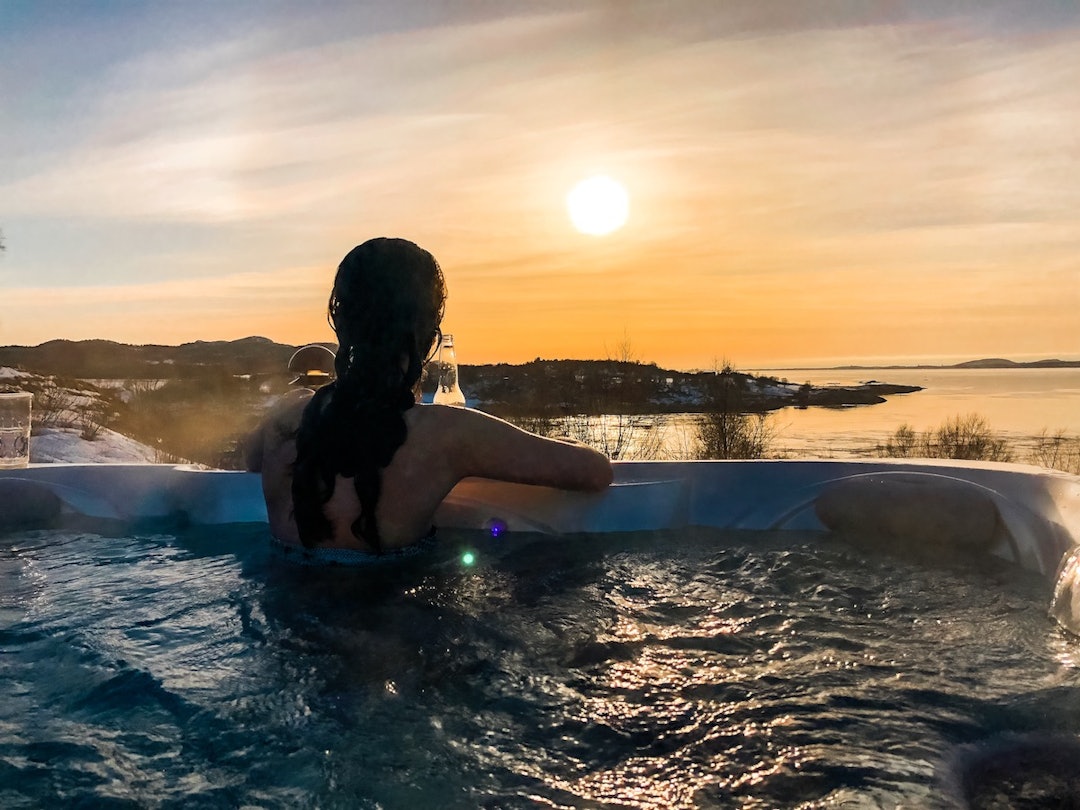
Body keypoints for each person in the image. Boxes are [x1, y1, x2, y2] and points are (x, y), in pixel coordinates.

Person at [246, 237, 612, 560]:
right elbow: (595, 472)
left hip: (282, 621)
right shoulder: (444, 434)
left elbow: (246, 462)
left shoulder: (287, 414)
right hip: (396, 625)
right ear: (427, 330)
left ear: (340, 320)